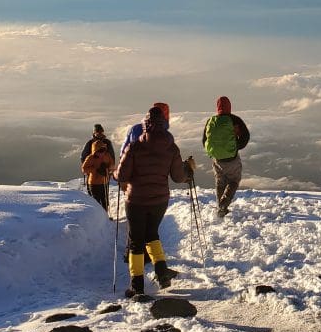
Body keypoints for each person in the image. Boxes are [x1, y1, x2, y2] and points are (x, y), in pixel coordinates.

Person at [114, 105, 191, 297]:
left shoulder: (134, 147)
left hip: (136, 201)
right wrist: (187, 170)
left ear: (146, 125)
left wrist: (114, 174)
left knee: (136, 242)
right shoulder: (171, 148)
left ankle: (137, 285)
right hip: (159, 201)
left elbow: (122, 175)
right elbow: (178, 177)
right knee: (152, 234)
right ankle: (162, 272)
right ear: (164, 124)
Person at [202, 96, 250, 219]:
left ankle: (221, 208)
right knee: (234, 180)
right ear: (229, 106)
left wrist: (214, 152)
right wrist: (236, 147)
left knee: (220, 182)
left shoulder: (211, 121)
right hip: (232, 158)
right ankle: (224, 204)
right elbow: (245, 137)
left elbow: (204, 140)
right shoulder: (235, 120)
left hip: (217, 158)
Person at [81, 137, 114, 211]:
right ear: (95, 151)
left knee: (105, 201)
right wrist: (95, 170)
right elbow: (84, 169)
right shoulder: (90, 158)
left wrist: (108, 168)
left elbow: (112, 165)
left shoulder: (107, 155)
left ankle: (105, 217)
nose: (102, 153)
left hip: (105, 182)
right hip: (94, 184)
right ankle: (99, 218)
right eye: (100, 151)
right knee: (96, 202)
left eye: (103, 150)